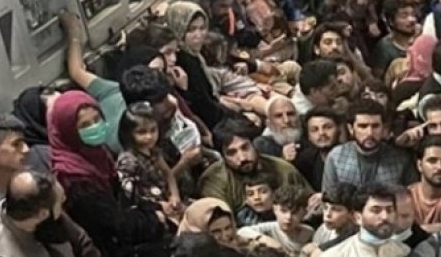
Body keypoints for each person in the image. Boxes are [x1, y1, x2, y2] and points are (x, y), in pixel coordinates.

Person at [48, 90, 170, 257]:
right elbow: (111, 224)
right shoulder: (74, 177)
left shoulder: (97, 153)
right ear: (68, 130)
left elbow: (120, 197)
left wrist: (154, 207)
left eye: (97, 119)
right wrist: (155, 219)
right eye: (84, 125)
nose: (94, 127)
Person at [199, 118, 312, 213]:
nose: (242, 158)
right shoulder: (213, 180)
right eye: (232, 153)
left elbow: (308, 203)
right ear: (223, 156)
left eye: (245, 147)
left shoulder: (283, 169)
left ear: (254, 144)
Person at [323, 100, 416, 192]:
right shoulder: (336, 156)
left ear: (383, 128)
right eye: (363, 126)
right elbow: (328, 198)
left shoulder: (400, 158)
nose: (370, 133)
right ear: (351, 129)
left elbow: (411, 195)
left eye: (375, 126)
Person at [322, 183, 411, 257]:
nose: (385, 217)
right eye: (376, 210)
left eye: (389, 210)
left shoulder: (405, 252)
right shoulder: (336, 255)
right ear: (357, 217)